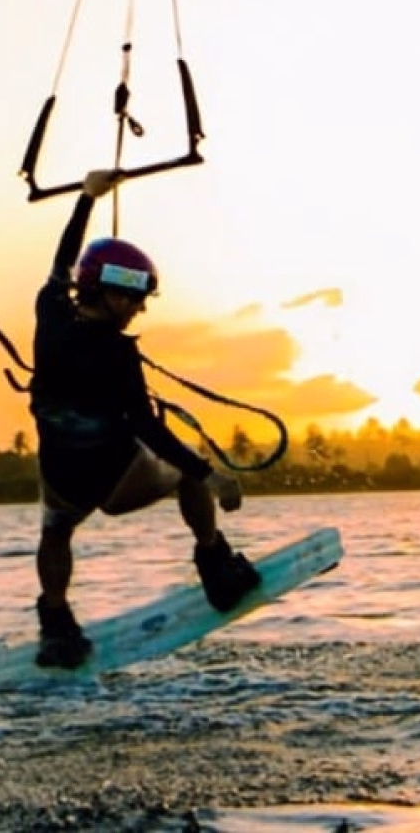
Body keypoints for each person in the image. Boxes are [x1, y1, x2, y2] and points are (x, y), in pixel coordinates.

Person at [25, 168, 261, 669]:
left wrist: (87, 198)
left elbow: (63, 259)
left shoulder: (50, 311)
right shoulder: (116, 355)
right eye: (131, 298)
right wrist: (213, 476)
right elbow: (147, 428)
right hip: (115, 475)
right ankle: (214, 561)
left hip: (62, 471)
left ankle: (56, 624)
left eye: (141, 300)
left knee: (55, 531)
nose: (137, 309)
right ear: (106, 289)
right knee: (186, 472)